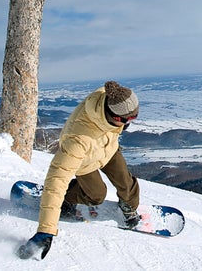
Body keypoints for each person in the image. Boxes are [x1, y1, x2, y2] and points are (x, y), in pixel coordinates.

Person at [17, 81, 141, 260]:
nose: (127, 124)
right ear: (111, 114)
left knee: (126, 183)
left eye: (134, 117)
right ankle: (68, 197)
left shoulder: (113, 98)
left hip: (108, 148)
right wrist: (46, 229)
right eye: (126, 120)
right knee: (96, 195)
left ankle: (128, 208)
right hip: (85, 160)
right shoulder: (78, 140)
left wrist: (125, 120)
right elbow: (56, 180)